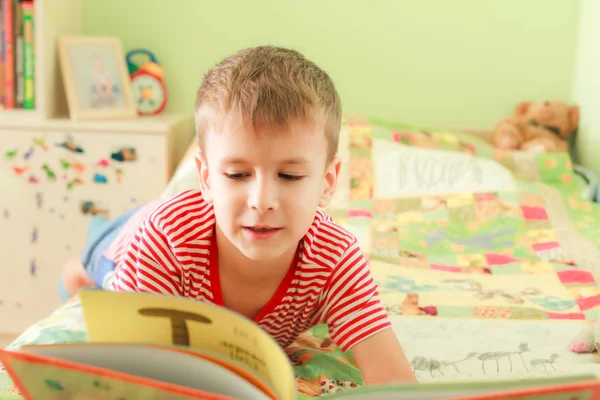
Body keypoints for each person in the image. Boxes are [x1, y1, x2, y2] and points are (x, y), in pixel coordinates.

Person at [62, 45, 417, 385]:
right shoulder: (165, 240)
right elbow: (133, 370)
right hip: (132, 236)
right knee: (93, 274)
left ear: (327, 182)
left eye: (289, 176)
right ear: (206, 177)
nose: (262, 201)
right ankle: (76, 269)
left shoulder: (335, 258)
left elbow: (393, 377)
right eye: (237, 175)